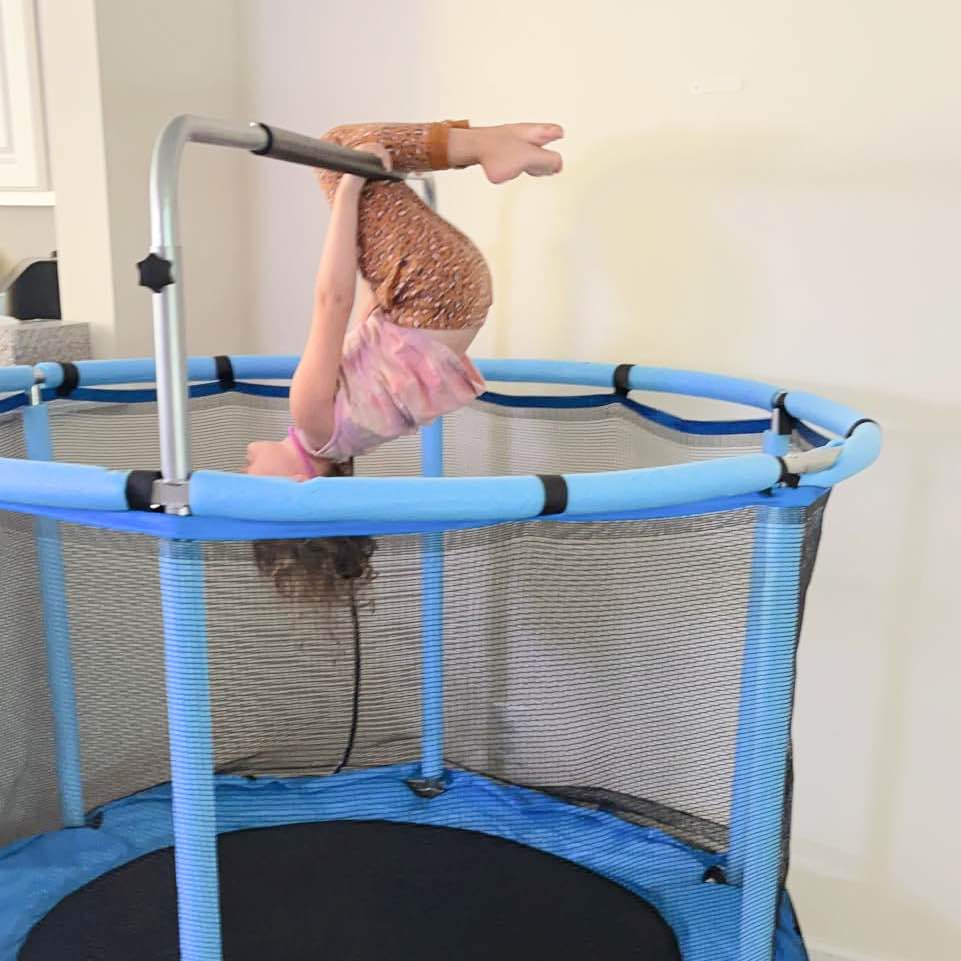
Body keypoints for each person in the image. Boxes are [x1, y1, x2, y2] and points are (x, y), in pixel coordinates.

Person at [249, 119, 564, 601]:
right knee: (336, 148)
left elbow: (366, 324)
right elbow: (331, 301)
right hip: (430, 289)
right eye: (250, 488)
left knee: (352, 153)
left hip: (456, 296)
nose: (243, 470)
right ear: (296, 485)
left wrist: (376, 248)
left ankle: (491, 145)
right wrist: (350, 191)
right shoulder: (309, 415)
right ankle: (488, 145)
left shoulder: (348, 439)